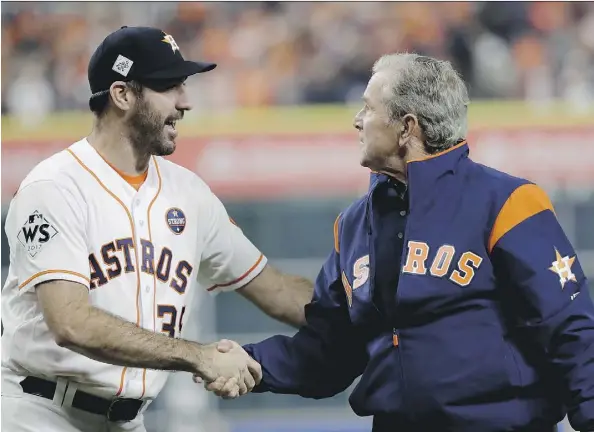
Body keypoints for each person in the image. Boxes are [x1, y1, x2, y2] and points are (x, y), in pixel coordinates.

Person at [204, 53, 594, 432]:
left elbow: (570, 329)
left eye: (368, 108)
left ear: (407, 126)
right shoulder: (354, 224)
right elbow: (329, 351)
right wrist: (249, 362)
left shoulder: (507, 202)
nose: (357, 121)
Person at [1, 26, 313, 432]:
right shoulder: (55, 187)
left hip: (129, 420)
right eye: (169, 86)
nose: (185, 103)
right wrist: (198, 356)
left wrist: (373, 320)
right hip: (41, 411)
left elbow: (277, 291)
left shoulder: (189, 194)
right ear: (123, 95)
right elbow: (71, 323)